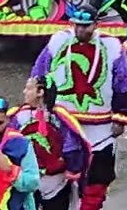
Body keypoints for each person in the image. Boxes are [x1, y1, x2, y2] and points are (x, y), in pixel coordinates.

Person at [30, 7, 127, 210]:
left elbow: (123, 84)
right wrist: (37, 105)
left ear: (96, 25)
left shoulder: (111, 47)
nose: (80, 30)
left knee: (97, 180)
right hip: (62, 124)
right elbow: (39, 74)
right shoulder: (58, 42)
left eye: (86, 26)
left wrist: (121, 118)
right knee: (59, 178)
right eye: (77, 25)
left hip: (100, 128)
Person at [9, 76, 90, 210]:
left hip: (55, 181)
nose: (24, 92)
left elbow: (71, 148)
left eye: (29, 88)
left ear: (40, 92)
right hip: (29, 179)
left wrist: (72, 170)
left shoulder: (60, 118)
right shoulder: (18, 115)